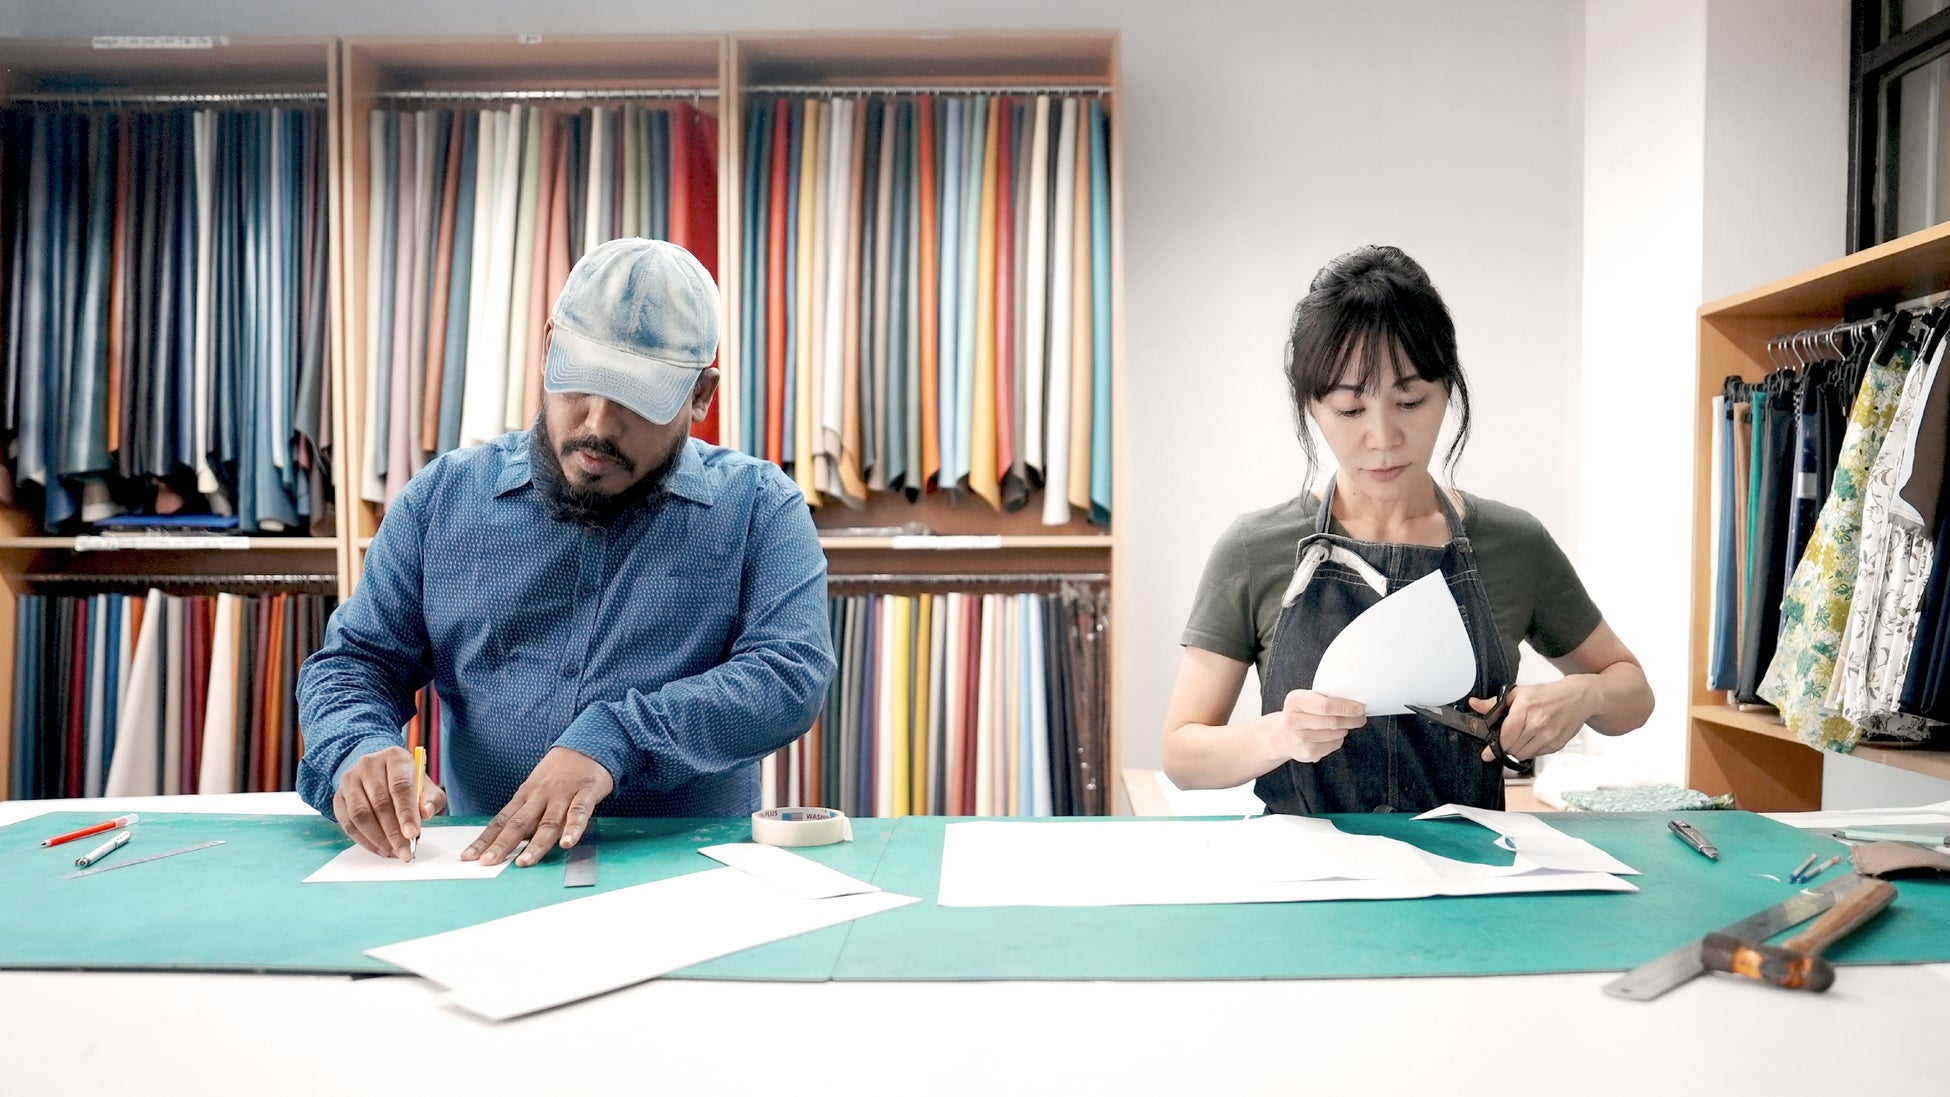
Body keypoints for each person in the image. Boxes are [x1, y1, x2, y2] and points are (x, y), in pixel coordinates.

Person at [297, 238, 836, 865]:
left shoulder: (760, 507)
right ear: (549, 347)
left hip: (687, 873)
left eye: (637, 397)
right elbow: (356, 664)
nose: (598, 425)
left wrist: (619, 738)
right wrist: (357, 745)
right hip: (479, 872)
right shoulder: (439, 501)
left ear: (700, 395)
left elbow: (789, 673)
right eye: (580, 380)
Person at [1162, 245, 1653, 814]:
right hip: (1306, 867)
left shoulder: (1515, 543)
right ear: (1312, 407)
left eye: (1410, 401)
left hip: (1466, 865)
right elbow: (1182, 756)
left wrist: (1584, 694)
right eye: (1350, 410)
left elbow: (1634, 695)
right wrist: (1279, 734)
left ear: (1447, 390)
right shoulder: (1253, 549)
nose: (1383, 438)